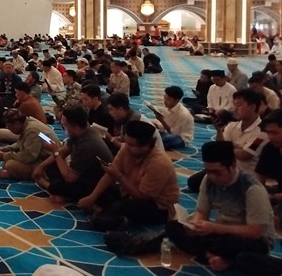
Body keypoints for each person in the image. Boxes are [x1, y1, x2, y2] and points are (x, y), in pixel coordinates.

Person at [166, 141, 274, 272]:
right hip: (220, 233)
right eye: (208, 171)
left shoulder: (252, 188)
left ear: (232, 166)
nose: (212, 176)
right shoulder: (208, 180)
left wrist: (215, 228)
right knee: (173, 227)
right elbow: (201, 211)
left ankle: (219, 256)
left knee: (230, 244)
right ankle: (212, 255)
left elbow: (255, 232)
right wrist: (195, 225)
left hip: (250, 240)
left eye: (217, 172)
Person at [78, 121, 179, 228]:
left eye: (131, 145)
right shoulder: (127, 149)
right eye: (126, 142)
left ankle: (110, 217)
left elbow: (141, 197)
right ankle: (109, 215)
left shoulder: (159, 163)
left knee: (121, 206)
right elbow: (110, 174)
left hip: (157, 206)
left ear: (146, 146)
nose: (127, 146)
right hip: (129, 194)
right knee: (94, 186)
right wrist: (92, 197)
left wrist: (119, 176)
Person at [188, 89, 267, 193]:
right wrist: (219, 132)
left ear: (252, 107)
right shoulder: (232, 125)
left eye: (239, 105)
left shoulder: (263, 131)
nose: (235, 109)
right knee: (194, 182)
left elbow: (244, 155)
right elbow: (220, 148)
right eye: (234, 105)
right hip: (226, 170)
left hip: (246, 175)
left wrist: (228, 148)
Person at [32, 106, 113, 203]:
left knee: (55, 187)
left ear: (76, 127)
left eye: (64, 126)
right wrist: (41, 166)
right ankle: (64, 194)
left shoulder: (87, 144)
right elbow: (64, 151)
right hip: (81, 174)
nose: (62, 129)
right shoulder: (81, 132)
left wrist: (55, 152)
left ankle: (51, 187)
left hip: (92, 183)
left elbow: (69, 178)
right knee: (50, 164)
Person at [0, 109, 58, 180]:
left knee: (10, 164)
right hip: (42, 157)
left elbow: (29, 156)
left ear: (17, 123)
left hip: (49, 163)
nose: (8, 128)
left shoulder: (32, 130)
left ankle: (10, 174)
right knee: (6, 162)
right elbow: (22, 143)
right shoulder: (28, 123)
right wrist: (5, 149)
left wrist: (4, 155)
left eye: (9, 126)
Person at [152, 86, 195, 150]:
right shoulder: (168, 109)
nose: (165, 101)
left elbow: (174, 133)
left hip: (181, 139)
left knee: (163, 140)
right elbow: (165, 127)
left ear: (177, 100)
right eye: (164, 98)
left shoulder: (183, 114)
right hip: (167, 133)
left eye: (168, 99)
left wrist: (161, 120)